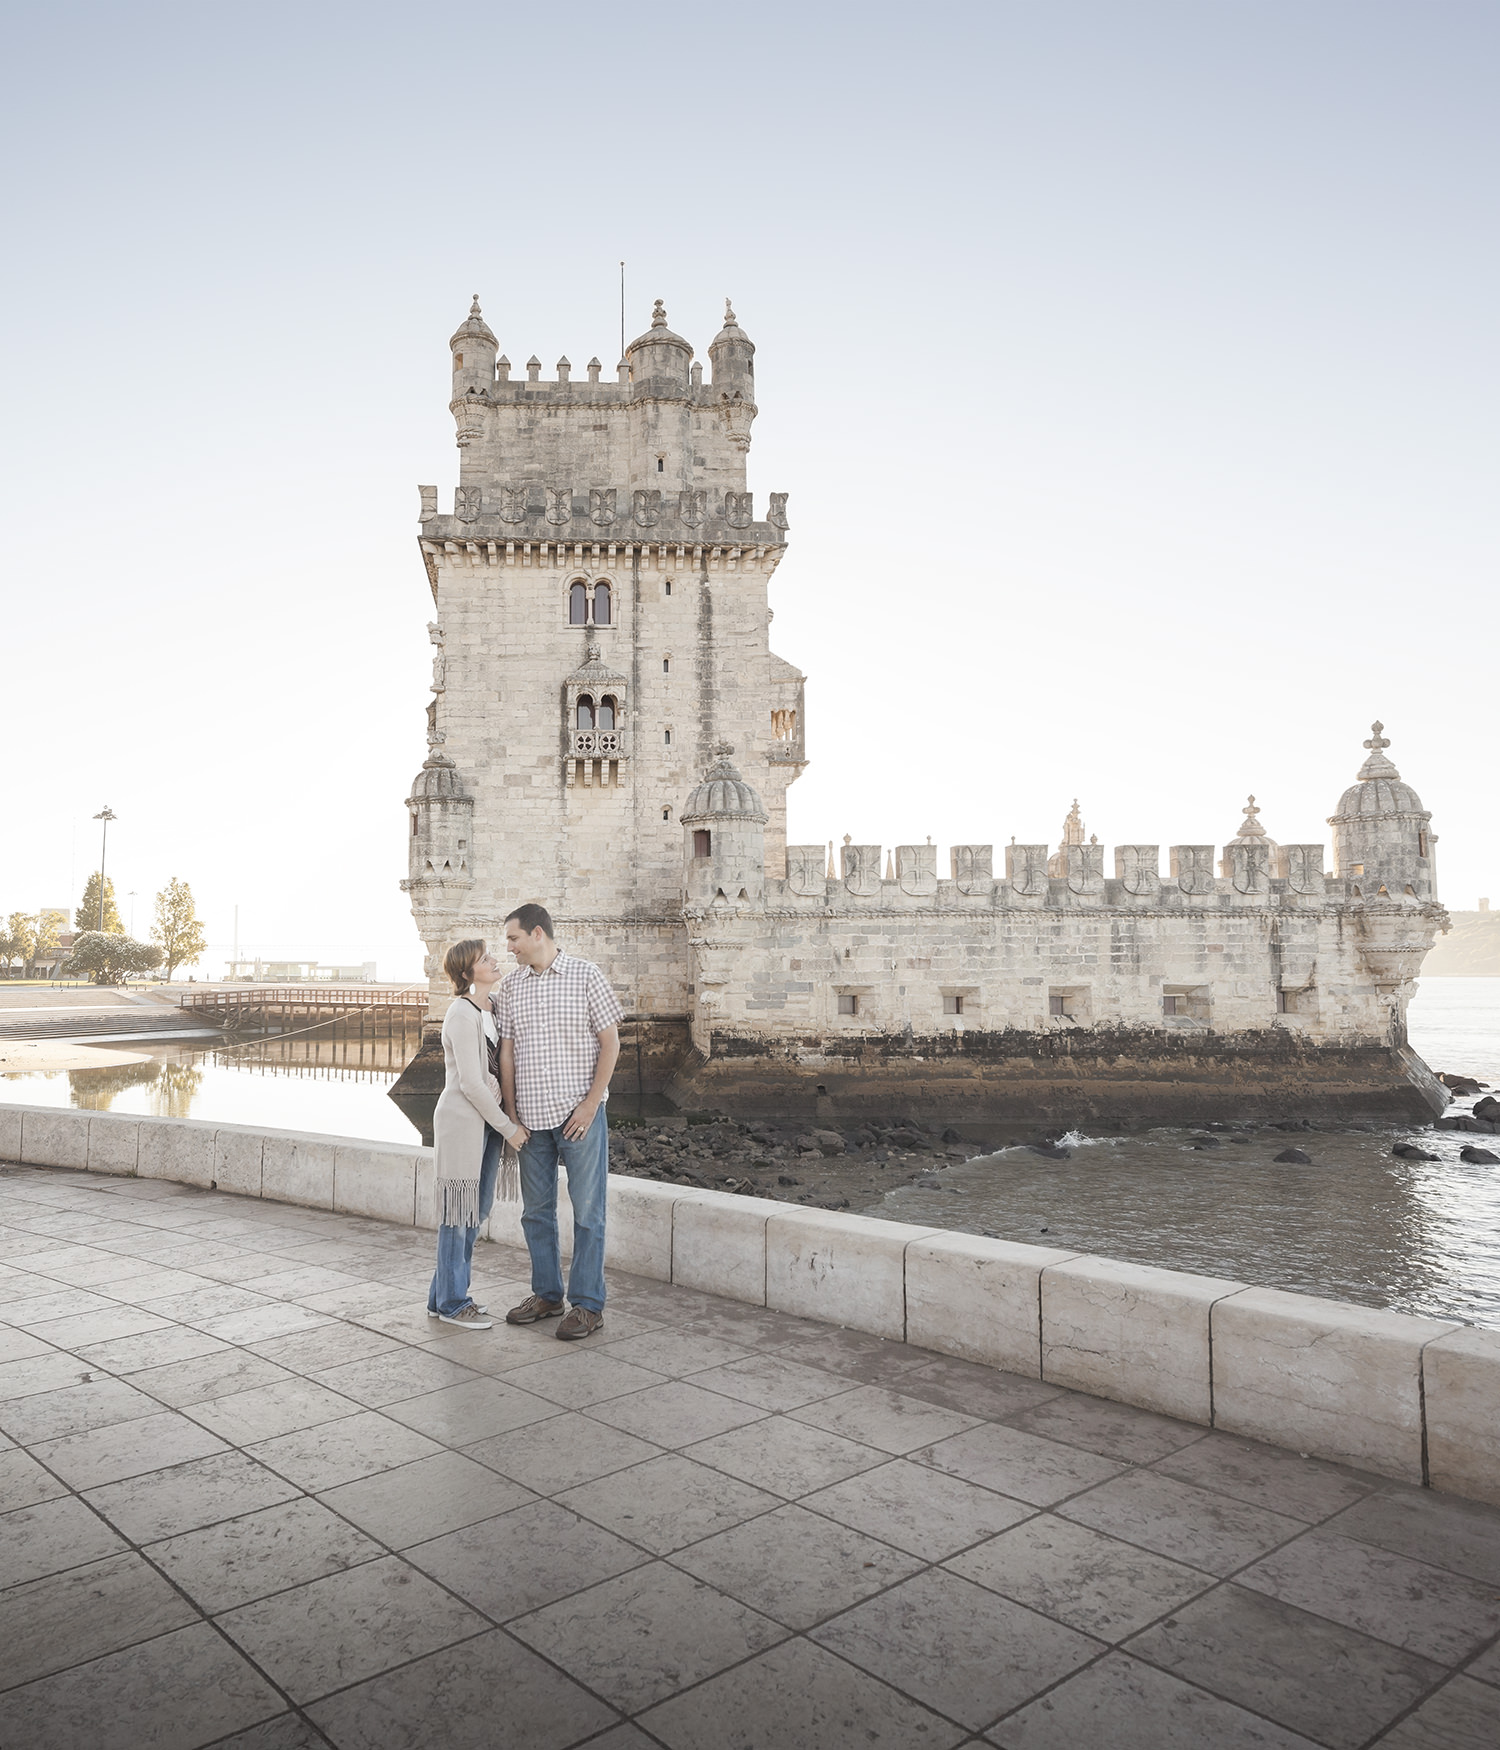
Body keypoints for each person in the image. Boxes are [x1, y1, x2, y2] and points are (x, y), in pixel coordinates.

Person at [496, 903, 622, 1339]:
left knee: (589, 1213)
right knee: (536, 1213)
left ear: (536, 934)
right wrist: (511, 1115)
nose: (508, 947)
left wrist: (590, 1104)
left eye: (512, 939)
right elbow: (506, 1053)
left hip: (579, 1117)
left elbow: (611, 1043)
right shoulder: (511, 987)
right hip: (531, 1121)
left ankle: (588, 1305)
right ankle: (548, 1295)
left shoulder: (587, 976)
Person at [427, 939, 528, 1330]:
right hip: (461, 1124)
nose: (493, 961)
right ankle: (454, 1303)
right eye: (484, 960)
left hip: (485, 1124)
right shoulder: (461, 1013)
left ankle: (442, 1297)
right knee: (458, 1215)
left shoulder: (492, 1008)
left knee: (476, 1211)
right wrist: (510, 1129)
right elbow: (471, 1083)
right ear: (468, 974)